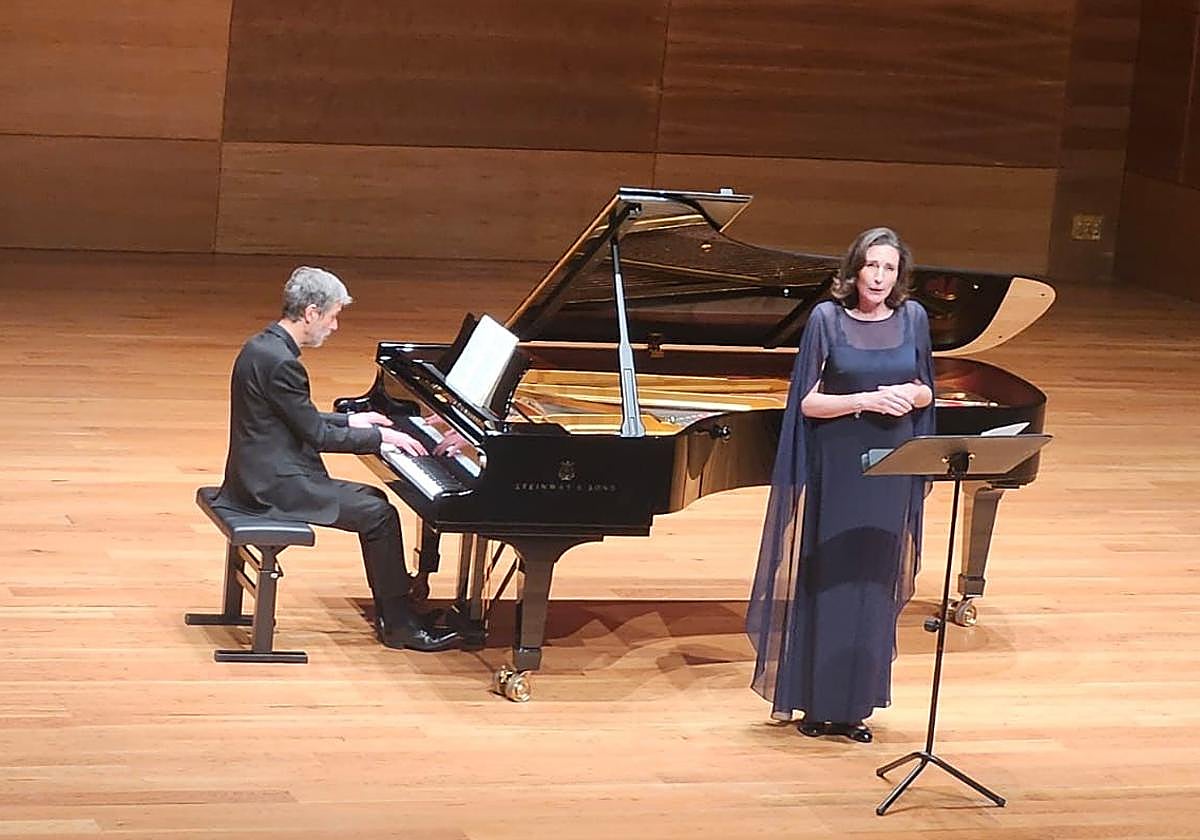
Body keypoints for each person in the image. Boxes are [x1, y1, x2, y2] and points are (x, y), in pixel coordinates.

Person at [745, 227, 935, 743]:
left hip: (891, 465)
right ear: (854, 270)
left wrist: (904, 394)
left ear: (899, 276)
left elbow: (925, 392)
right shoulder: (826, 320)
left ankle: (856, 707)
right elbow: (805, 402)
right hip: (841, 460)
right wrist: (866, 401)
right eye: (872, 266)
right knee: (830, 574)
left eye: (889, 268)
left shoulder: (913, 318)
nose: (879, 277)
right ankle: (818, 701)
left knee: (874, 580)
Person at [213, 266, 461, 652]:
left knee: (375, 502)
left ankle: (397, 610)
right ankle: (399, 625)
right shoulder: (283, 363)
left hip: (255, 473)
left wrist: (352, 418)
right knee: (378, 514)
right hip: (272, 486)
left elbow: (296, 416)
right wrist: (380, 437)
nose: (335, 326)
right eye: (332, 316)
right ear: (311, 313)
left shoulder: (262, 347)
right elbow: (315, 434)